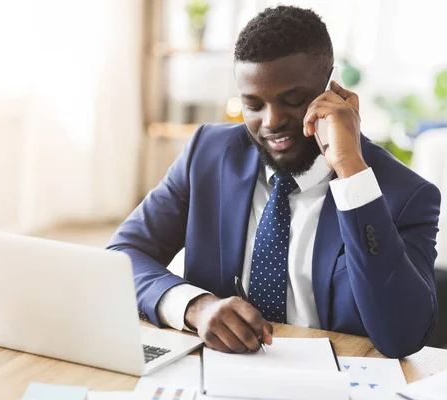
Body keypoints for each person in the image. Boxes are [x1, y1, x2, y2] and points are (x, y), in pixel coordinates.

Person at [107, 5, 440, 358]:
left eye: (293, 101)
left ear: (332, 88)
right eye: (253, 104)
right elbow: (123, 255)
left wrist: (351, 173)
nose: (271, 121)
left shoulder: (404, 194)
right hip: (217, 372)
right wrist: (195, 306)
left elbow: (402, 336)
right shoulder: (207, 154)